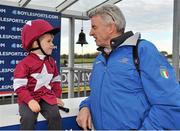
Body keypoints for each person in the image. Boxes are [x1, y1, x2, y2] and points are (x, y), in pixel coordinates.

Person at [76, 4, 180, 130]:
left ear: (110, 27)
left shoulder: (143, 51)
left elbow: (169, 104)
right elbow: (100, 94)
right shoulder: (100, 59)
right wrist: (85, 106)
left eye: (94, 27)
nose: (91, 33)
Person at [13, 19, 64, 130]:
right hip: (28, 98)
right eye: (49, 41)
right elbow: (19, 86)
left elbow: (55, 81)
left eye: (52, 41)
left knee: (55, 115)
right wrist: (30, 101)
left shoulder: (52, 62)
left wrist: (56, 97)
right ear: (36, 43)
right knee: (28, 118)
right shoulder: (23, 64)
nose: (52, 45)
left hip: (46, 96)